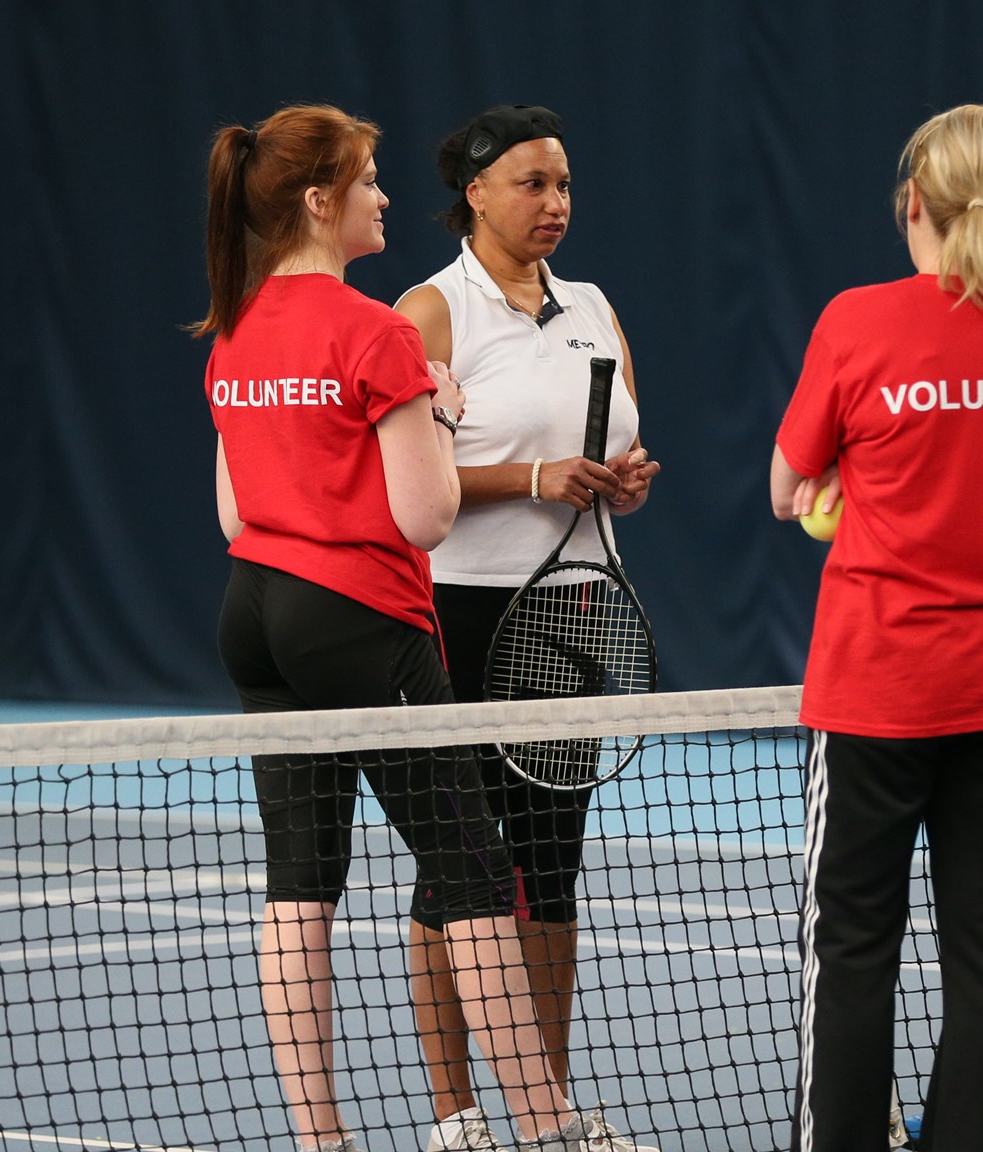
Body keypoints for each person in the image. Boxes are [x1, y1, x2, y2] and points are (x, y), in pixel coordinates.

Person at [200, 103, 610, 1152]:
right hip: (361, 623)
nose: (386, 197)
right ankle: (543, 1123)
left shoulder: (236, 327)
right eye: (371, 180)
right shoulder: (377, 332)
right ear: (320, 202)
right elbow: (423, 517)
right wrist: (432, 404)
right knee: (475, 876)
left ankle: (320, 1140)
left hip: (252, 614)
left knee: (299, 885)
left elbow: (235, 515)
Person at [770, 104, 983, 1152]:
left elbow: (786, 490)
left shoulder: (855, 321)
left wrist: (843, 485)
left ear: (912, 201)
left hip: (879, 689)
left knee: (851, 943)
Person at [392, 104, 660, 1152]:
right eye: (529, 185)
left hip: (575, 609)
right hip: (456, 613)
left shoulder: (592, 304)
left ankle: (545, 1107)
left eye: (561, 185)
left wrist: (624, 481)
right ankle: (454, 1113)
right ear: (474, 191)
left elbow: (630, 434)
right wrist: (533, 477)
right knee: (457, 870)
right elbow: (402, 477)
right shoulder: (428, 313)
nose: (553, 205)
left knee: (550, 866)